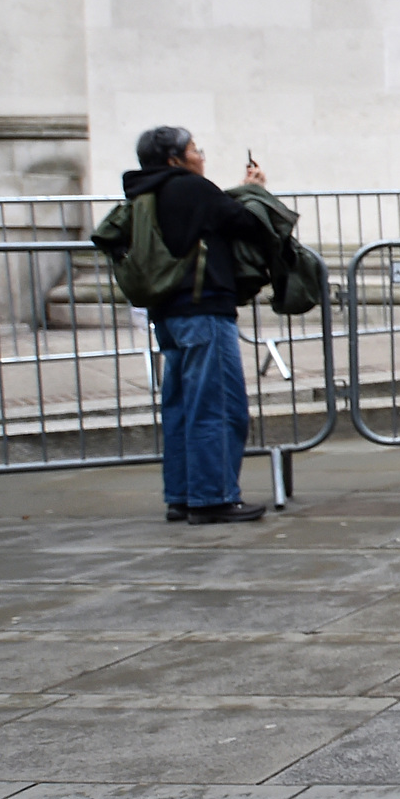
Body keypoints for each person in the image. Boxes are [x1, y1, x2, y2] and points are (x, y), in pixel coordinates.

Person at [121, 127, 277, 525]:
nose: (200, 155)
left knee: (180, 407)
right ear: (175, 159)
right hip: (204, 309)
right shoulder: (192, 189)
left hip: (168, 314)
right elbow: (245, 222)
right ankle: (213, 498)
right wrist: (254, 189)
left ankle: (182, 496)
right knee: (217, 406)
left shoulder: (144, 192)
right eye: (194, 150)